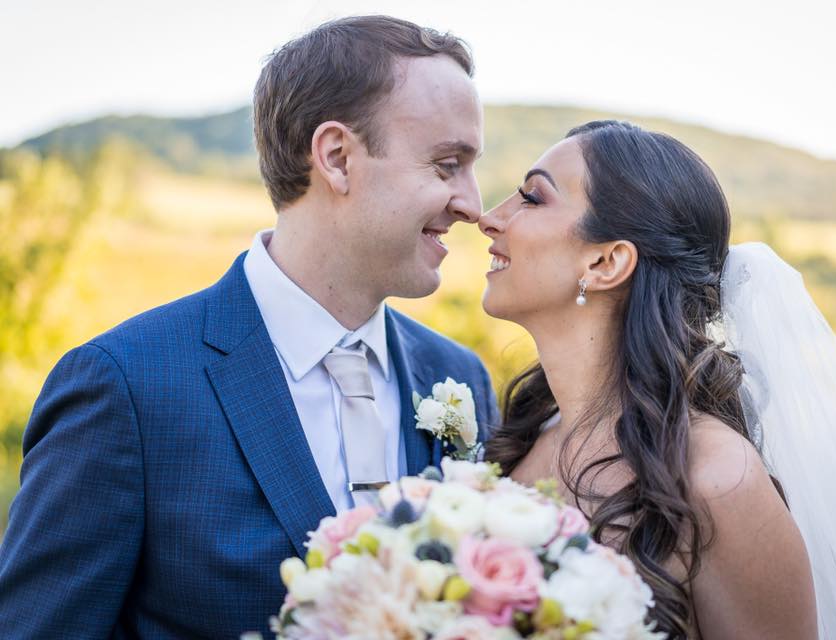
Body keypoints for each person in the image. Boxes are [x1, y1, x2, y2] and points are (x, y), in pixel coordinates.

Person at [0, 15, 497, 638]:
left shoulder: (459, 378)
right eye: (447, 165)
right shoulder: (126, 388)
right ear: (338, 158)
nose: (473, 205)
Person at [480, 120, 836, 638]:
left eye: (531, 198)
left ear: (606, 261)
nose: (489, 218)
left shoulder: (715, 479)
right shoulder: (528, 437)